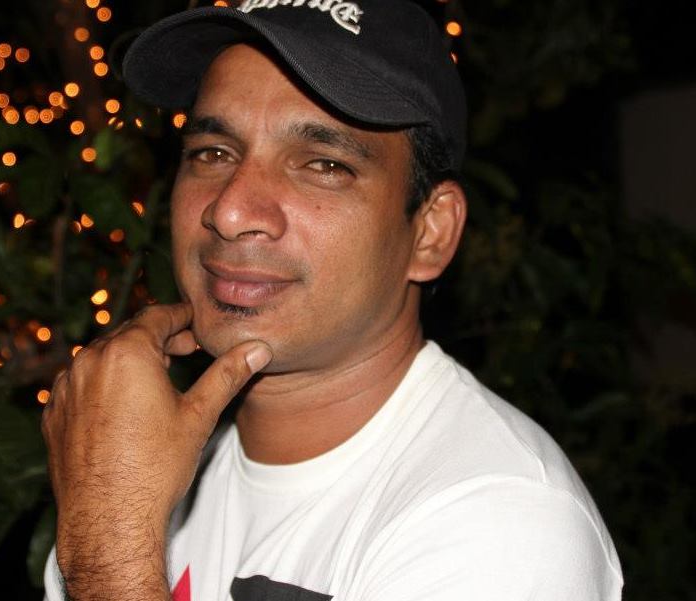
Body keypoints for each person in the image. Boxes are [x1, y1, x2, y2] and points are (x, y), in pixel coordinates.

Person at [42, 1, 624, 600]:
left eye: (322, 165)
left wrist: (109, 547)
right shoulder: (142, 468)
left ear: (429, 232)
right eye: (213, 154)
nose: (230, 211)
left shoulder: (501, 525)